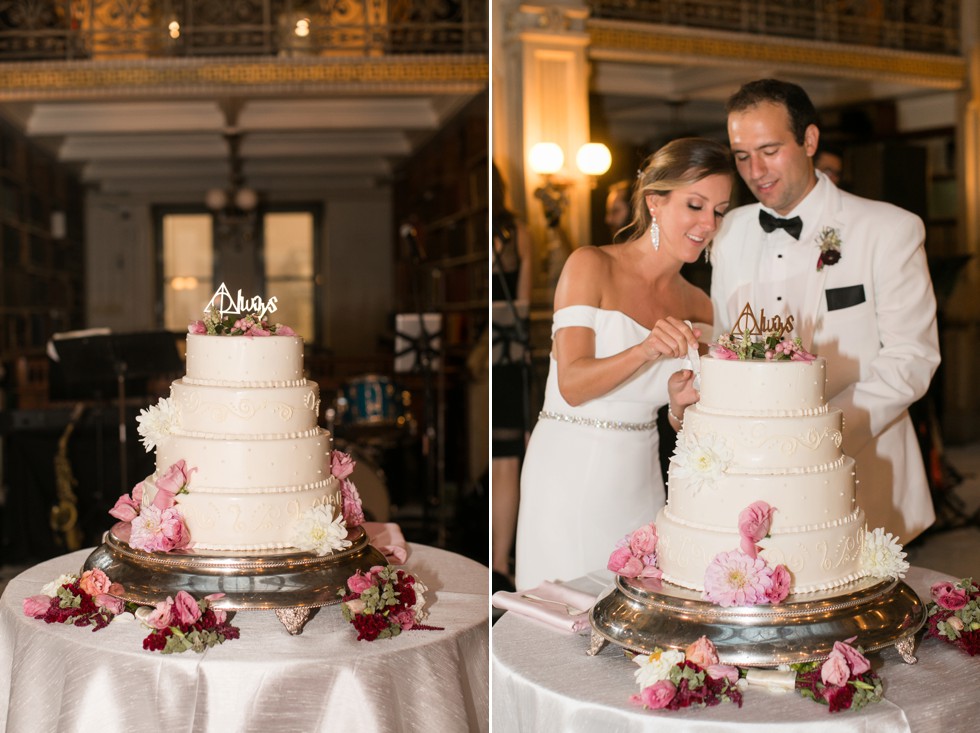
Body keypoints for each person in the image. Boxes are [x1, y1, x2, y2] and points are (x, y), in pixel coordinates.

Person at [710, 78, 940, 543]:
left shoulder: (888, 229)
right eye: (741, 156)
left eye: (770, 149)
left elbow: (911, 360)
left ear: (809, 140)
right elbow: (725, 341)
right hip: (754, 479)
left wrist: (818, 438)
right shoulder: (729, 230)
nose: (755, 171)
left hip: (865, 471)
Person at [514, 138, 734, 591]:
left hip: (641, 477)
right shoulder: (590, 266)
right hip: (568, 471)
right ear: (655, 202)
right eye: (695, 205)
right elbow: (572, 383)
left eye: (719, 210)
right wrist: (645, 350)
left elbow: (684, 421)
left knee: (636, 613)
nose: (708, 223)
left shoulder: (700, 304)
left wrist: (679, 405)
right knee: (563, 617)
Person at [491, 164, 532, 591]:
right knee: (492, 460)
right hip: (477, 358)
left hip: (501, 355)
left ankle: (500, 561)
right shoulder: (480, 233)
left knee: (504, 458)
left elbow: (521, 302)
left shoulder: (517, 231)